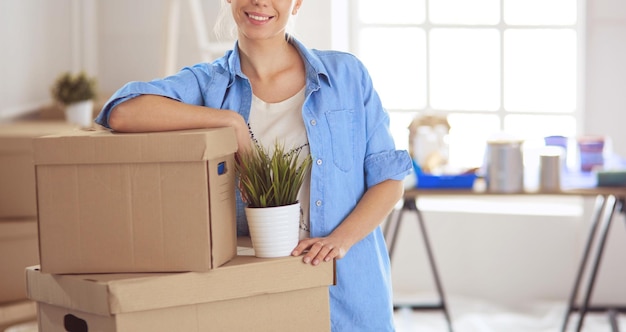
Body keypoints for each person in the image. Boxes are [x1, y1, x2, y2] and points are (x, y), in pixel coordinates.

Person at [95, 0, 412, 330]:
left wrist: (340, 240)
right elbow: (122, 110)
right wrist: (230, 123)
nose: (260, 2)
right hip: (259, 298)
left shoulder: (346, 76)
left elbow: (388, 180)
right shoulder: (209, 86)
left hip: (351, 297)